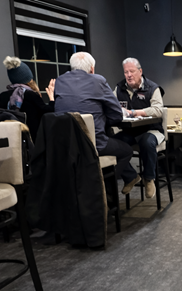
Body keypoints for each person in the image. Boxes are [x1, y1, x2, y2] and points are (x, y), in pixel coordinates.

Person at [53, 52, 136, 189]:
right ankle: (103, 189)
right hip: (93, 144)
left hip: (66, 145)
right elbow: (117, 114)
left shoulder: (60, 81)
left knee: (109, 135)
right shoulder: (98, 80)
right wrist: (103, 120)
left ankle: (125, 179)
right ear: (92, 68)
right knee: (127, 150)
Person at [113, 57, 165, 199]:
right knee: (110, 144)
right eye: (126, 72)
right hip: (130, 132)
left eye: (132, 71)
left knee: (147, 142)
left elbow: (158, 110)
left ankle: (149, 178)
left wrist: (135, 112)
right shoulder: (119, 88)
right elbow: (111, 105)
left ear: (140, 71)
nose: (129, 75)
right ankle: (131, 176)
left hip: (152, 130)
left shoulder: (152, 88)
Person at [0, 56, 55, 141]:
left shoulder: (3, 96)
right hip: (33, 140)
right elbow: (48, 114)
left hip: (13, 139)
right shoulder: (31, 95)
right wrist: (51, 97)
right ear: (29, 77)